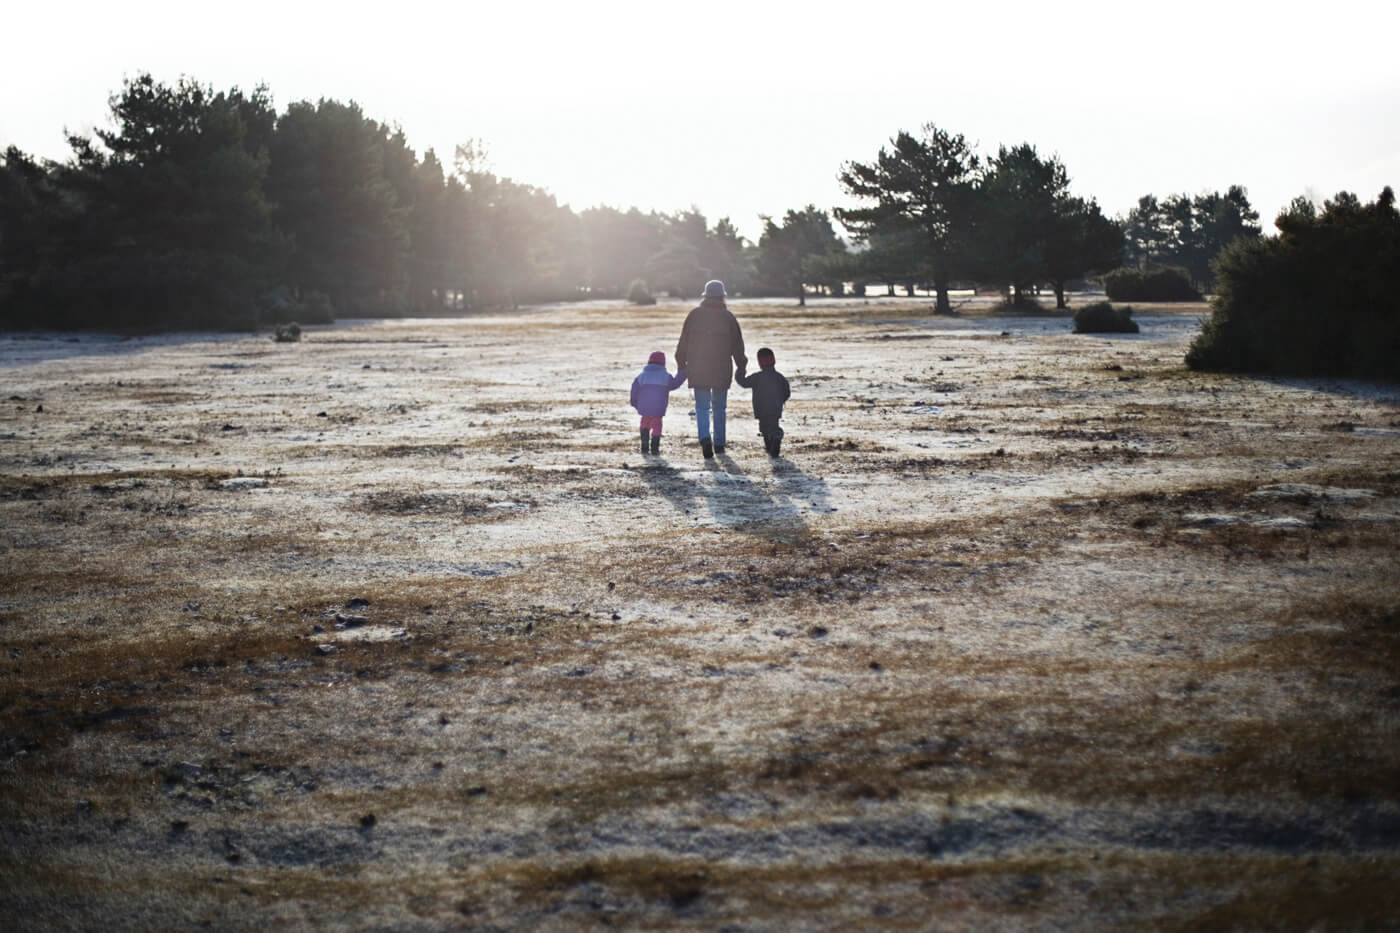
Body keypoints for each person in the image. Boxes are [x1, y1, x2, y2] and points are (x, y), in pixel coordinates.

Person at [675, 280, 746, 459]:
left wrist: (681, 365)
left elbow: (683, 342)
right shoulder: (728, 317)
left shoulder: (694, 315)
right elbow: (738, 346)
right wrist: (741, 367)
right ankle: (720, 444)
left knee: (701, 407)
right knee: (720, 407)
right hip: (722, 369)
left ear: (705, 296)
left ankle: (704, 438)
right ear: (723, 296)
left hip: (698, 368)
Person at [734, 346, 791, 456]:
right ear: (773, 361)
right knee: (773, 426)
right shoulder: (779, 377)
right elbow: (787, 392)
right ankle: (775, 440)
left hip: (762, 409)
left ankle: (771, 446)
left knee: (764, 429)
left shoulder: (757, 377)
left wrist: (740, 370)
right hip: (775, 409)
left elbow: (743, 382)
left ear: (760, 363)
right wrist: (780, 401)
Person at [629, 350, 686, 455]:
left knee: (644, 423)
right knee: (657, 425)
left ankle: (644, 445)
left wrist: (634, 403)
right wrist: (683, 373)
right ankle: (655, 447)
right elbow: (675, 384)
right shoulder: (665, 376)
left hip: (644, 408)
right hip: (658, 408)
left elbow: (634, 390)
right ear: (663, 363)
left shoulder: (642, 376)